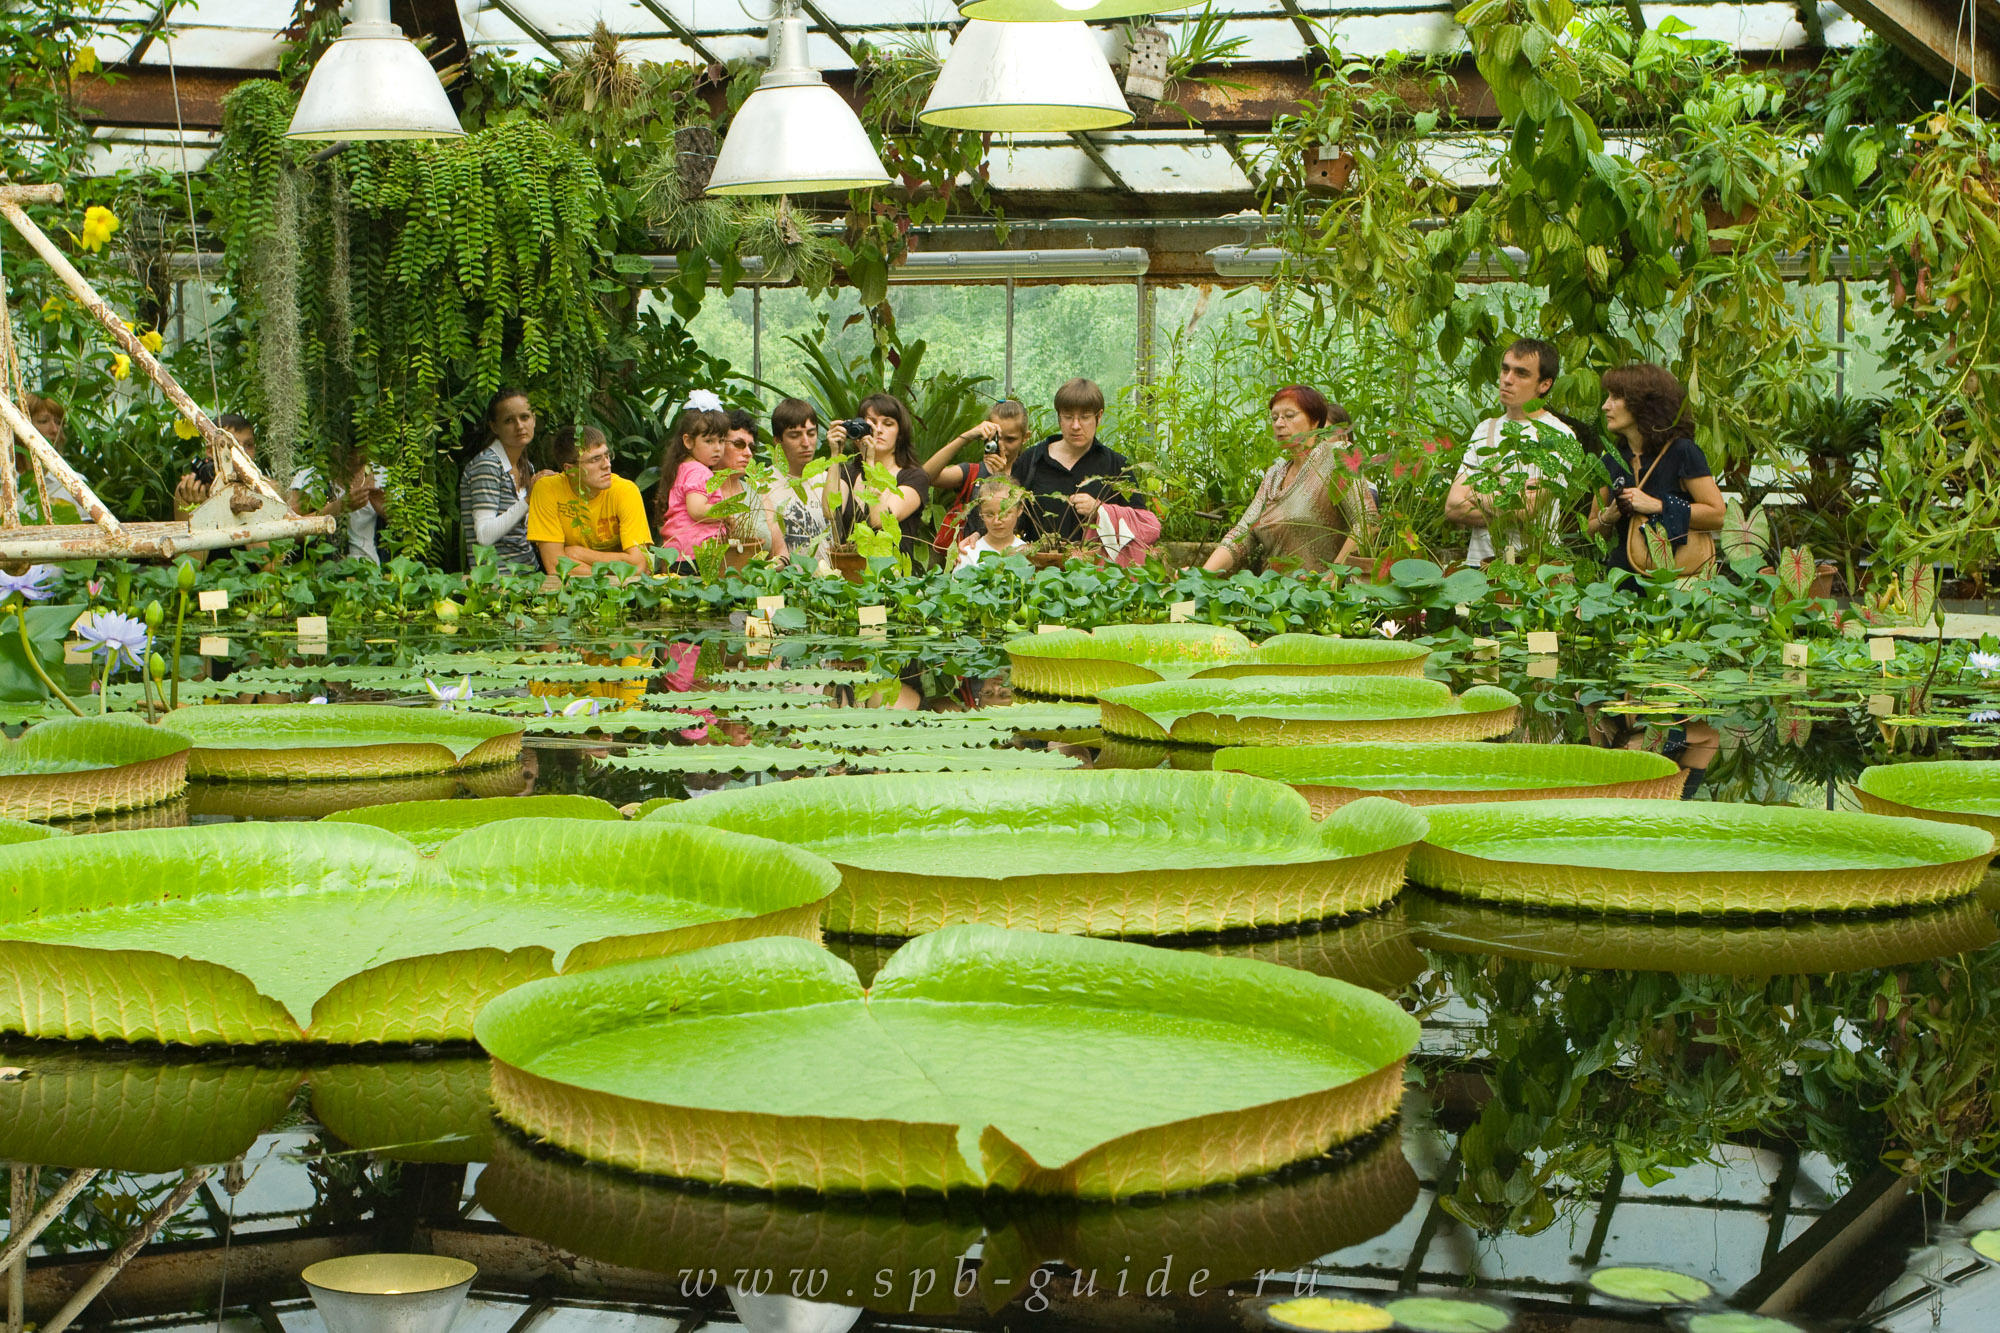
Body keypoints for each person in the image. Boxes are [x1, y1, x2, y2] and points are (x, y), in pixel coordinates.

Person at [1204, 386, 1374, 575]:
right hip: (1272, 596)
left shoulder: (1335, 458)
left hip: (1321, 597)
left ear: (1314, 421)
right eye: (1275, 417)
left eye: (1289, 415)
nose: (1279, 423)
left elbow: (1368, 521)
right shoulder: (1274, 475)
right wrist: (1201, 575)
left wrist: (1334, 575)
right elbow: (1242, 533)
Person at [1445, 338, 1576, 566]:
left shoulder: (1558, 436)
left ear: (1544, 384)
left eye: (1521, 373)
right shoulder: (1485, 429)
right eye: (1505, 369)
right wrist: (1510, 501)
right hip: (1480, 566)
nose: (1507, 380)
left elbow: (1528, 511)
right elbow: (1453, 507)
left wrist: (1477, 494)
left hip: (1535, 570)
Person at [1587, 362, 1725, 575]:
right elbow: (1591, 531)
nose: (1606, 406)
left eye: (1615, 397)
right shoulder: (1611, 461)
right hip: (1624, 576)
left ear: (1642, 404)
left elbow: (1718, 515)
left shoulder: (1681, 452)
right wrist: (1609, 516)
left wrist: (1658, 505)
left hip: (1677, 579)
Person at [1010, 378, 1157, 563]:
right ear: (1059, 417)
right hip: (1038, 574)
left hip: (1097, 578)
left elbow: (1144, 526)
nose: (1076, 425)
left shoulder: (1117, 466)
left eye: (1085, 417)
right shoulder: (1032, 460)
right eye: (1068, 417)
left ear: (1099, 416)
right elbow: (1006, 514)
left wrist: (1101, 510)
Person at [527, 425, 653, 576]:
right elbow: (554, 566)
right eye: (595, 459)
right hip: (573, 591)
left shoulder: (625, 490)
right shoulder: (547, 489)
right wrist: (616, 572)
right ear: (570, 469)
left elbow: (639, 565)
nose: (607, 464)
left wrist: (577, 553)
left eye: (607, 455)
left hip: (625, 592)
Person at [825, 392, 932, 563]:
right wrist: (835, 453)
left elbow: (878, 521)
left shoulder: (914, 477)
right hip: (847, 576)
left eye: (888, 424)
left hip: (893, 579)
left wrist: (869, 460)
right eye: (872, 423)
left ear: (900, 432)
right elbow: (830, 511)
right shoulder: (848, 472)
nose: (879, 430)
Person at [461, 389, 551, 572]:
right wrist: (528, 500)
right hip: (496, 583)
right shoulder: (487, 466)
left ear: (534, 419)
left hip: (528, 576)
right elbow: (484, 535)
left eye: (525, 417)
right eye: (509, 420)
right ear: (494, 427)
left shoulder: (526, 466)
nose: (519, 426)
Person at [922, 398, 1029, 553]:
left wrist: (1001, 476)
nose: (1002, 445)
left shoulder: (1028, 473)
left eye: (1010, 439)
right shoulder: (973, 472)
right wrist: (967, 437)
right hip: (971, 557)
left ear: (1025, 437)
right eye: (997, 438)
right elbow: (926, 476)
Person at [653, 399, 730, 571]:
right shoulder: (699, 471)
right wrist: (726, 513)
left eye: (722, 441)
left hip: (679, 553)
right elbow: (696, 510)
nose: (718, 448)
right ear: (688, 441)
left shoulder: (684, 467)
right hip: (695, 555)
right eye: (709, 441)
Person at [287, 443, 390, 563]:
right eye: (350, 453)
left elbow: (409, 532)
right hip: (324, 576)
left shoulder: (382, 476)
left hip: (375, 575)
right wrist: (335, 508)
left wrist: (387, 512)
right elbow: (287, 533)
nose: (356, 459)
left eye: (361, 452)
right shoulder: (311, 479)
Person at [711, 420, 788, 565]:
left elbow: (780, 551)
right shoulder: (697, 491)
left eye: (751, 448)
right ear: (717, 444)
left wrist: (773, 568)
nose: (747, 453)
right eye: (739, 444)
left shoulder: (757, 493)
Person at [766, 397, 829, 563]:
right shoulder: (762, 485)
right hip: (785, 582)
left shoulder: (828, 479)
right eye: (795, 436)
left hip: (830, 583)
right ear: (778, 441)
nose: (806, 443)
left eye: (811, 433)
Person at [17, 395, 82, 522]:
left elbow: (86, 538)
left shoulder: (75, 484)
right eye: (43, 421)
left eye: (58, 422)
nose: (54, 429)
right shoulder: (6, 481)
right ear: (20, 426)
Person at [954, 478, 1032, 569]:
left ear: (1019, 509)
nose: (996, 521)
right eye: (989, 515)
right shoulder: (969, 554)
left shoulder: (1030, 555)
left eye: (1004, 513)